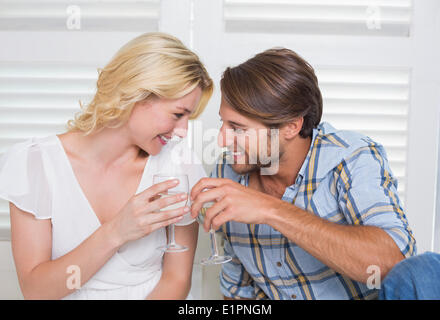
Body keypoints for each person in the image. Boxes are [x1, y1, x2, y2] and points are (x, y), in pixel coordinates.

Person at [190, 48, 416, 300]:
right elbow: (238, 290)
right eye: (223, 123)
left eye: (237, 128)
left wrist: (270, 210)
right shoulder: (228, 173)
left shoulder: (350, 158)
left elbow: (392, 264)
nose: (221, 139)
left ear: (291, 126)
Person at [0, 32, 213, 299]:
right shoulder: (36, 164)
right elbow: (37, 291)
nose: (182, 131)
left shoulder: (177, 162)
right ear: (137, 95)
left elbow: (177, 280)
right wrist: (116, 232)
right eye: (178, 114)